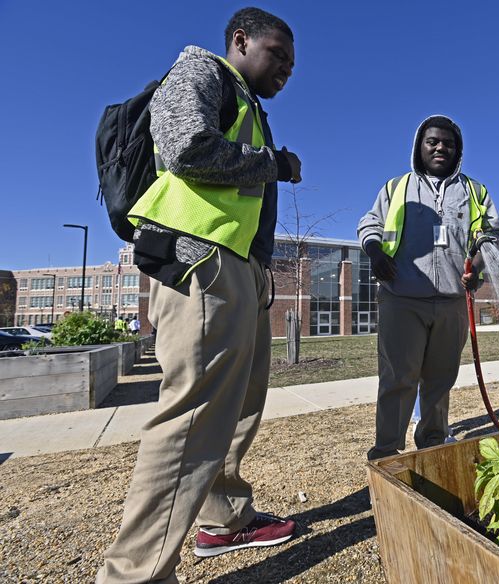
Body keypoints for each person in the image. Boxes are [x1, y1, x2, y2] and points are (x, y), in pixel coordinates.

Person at [98, 8, 302, 582]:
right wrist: (276, 164)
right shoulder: (199, 70)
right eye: (278, 55)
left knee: (238, 407)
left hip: (238, 268)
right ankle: (133, 574)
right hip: (203, 263)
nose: (286, 69)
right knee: (192, 417)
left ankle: (224, 520)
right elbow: (186, 146)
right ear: (240, 40)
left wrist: (261, 270)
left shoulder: (248, 104)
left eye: (292, 63)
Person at [358, 115, 499, 461]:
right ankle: (387, 452)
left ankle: (434, 444)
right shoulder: (397, 188)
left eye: (448, 143)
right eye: (433, 142)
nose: (441, 147)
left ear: (459, 151)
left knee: (440, 381)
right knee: (398, 378)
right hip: (401, 298)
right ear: (418, 147)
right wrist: (375, 251)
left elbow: (492, 236)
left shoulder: (474, 191)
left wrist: (478, 268)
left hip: (453, 301)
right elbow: (370, 223)